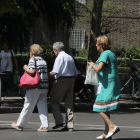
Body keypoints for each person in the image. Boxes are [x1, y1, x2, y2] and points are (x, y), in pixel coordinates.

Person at [88, 36, 121, 139]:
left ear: (101, 44)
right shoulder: (111, 54)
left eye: (97, 43)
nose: (96, 45)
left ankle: (112, 127)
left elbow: (98, 69)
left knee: (98, 107)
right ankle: (106, 133)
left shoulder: (105, 54)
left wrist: (92, 64)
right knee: (105, 108)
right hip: (109, 83)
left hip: (107, 84)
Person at [11, 44, 49, 131]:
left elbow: (31, 71)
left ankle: (20, 124)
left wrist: (26, 68)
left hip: (35, 86)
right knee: (42, 105)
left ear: (31, 52)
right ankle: (45, 125)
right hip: (44, 86)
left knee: (28, 104)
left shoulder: (33, 59)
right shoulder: (43, 60)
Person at [49, 42, 78, 132]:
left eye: (54, 51)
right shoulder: (70, 57)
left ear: (56, 50)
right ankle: (70, 125)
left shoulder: (59, 57)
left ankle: (59, 121)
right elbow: (76, 73)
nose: (54, 52)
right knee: (69, 103)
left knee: (53, 101)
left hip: (62, 80)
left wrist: (46, 75)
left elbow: (55, 72)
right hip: (71, 80)